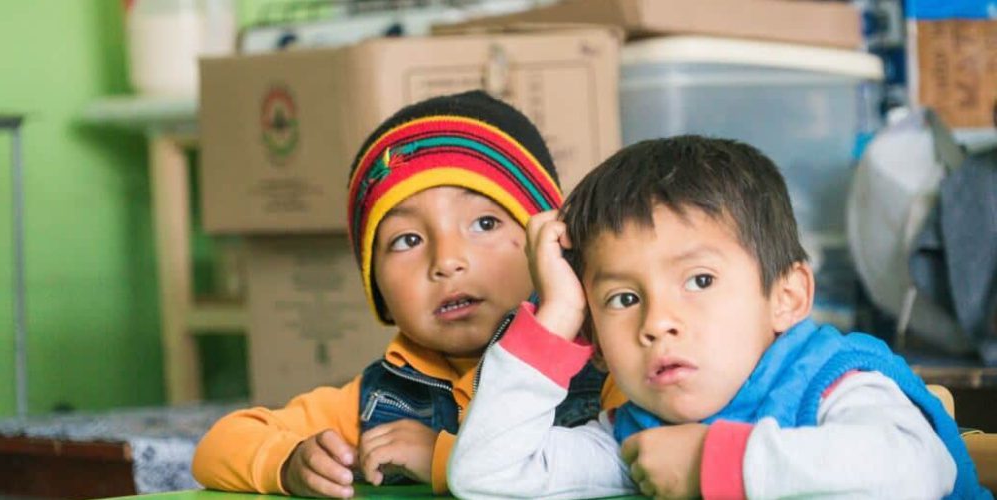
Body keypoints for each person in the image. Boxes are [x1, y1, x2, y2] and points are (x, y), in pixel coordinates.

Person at [448, 135, 990, 499]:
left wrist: (714, 461)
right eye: (624, 299)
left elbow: (914, 471)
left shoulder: (836, 382)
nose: (657, 322)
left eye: (700, 281)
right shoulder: (640, 432)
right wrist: (556, 314)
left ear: (786, 296)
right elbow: (487, 475)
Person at [192, 91, 620, 497]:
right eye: (407, 240)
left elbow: (643, 459)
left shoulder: (605, 368)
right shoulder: (377, 397)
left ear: (547, 245)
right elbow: (219, 445)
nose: (447, 261)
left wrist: (440, 457)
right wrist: (288, 463)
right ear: (375, 284)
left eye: (485, 224)